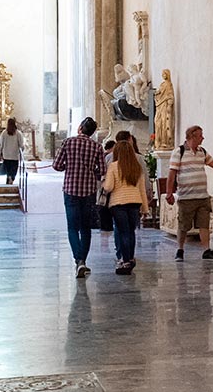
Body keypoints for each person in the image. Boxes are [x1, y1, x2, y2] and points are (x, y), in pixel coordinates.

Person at [165, 124, 213, 261]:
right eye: (200, 135)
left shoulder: (202, 152)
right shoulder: (179, 152)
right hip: (186, 196)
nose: (203, 138)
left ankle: (206, 250)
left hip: (202, 196)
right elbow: (172, 173)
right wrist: (169, 193)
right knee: (183, 226)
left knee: (204, 224)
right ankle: (180, 249)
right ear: (192, 136)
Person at [52, 117, 105, 279]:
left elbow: (57, 165)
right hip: (88, 191)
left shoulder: (68, 143)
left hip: (71, 189)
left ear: (80, 128)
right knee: (86, 228)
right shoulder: (96, 146)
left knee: (72, 227)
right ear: (93, 132)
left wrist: (71, 166)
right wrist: (89, 170)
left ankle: (78, 260)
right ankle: (83, 260)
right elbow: (102, 169)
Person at [102, 140, 149, 274]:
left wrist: (104, 184)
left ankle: (125, 260)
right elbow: (142, 190)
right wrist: (145, 208)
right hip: (135, 202)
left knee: (123, 232)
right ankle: (131, 258)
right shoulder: (137, 168)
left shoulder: (113, 166)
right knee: (131, 232)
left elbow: (109, 187)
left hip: (118, 203)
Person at [0, 117, 24, 185]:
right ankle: (12, 178)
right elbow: (21, 144)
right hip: (14, 155)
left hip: (6, 155)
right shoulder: (18, 133)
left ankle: (8, 177)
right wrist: (21, 151)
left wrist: (1, 151)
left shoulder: (4, 133)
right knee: (14, 169)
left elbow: (0, 144)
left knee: (8, 169)